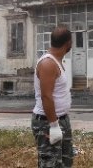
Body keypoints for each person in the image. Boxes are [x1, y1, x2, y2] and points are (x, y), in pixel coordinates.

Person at [31, 25, 73, 167]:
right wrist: (54, 126)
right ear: (68, 43)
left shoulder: (57, 61)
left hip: (61, 120)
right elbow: (46, 96)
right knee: (50, 163)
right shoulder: (48, 63)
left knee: (65, 161)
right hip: (47, 122)